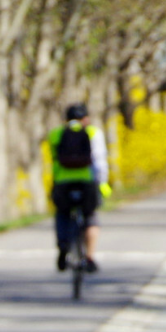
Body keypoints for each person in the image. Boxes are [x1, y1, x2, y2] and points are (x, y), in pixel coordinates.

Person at [48, 103, 110, 274]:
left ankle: (63, 245)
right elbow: (99, 161)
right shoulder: (93, 133)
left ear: (66, 119)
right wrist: (102, 184)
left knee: (62, 213)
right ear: (86, 119)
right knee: (90, 216)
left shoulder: (56, 134)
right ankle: (89, 257)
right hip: (86, 182)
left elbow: (54, 159)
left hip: (62, 183)